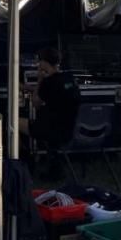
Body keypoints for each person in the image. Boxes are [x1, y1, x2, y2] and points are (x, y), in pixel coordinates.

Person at [22, 47, 81, 176]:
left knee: (13, 123)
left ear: (44, 62)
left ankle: (24, 162)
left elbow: (35, 103)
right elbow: (53, 93)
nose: (38, 64)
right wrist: (28, 87)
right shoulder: (69, 78)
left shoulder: (48, 81)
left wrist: (40, 79)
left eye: (39, 61)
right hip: (68, 130)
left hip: (49, 129)